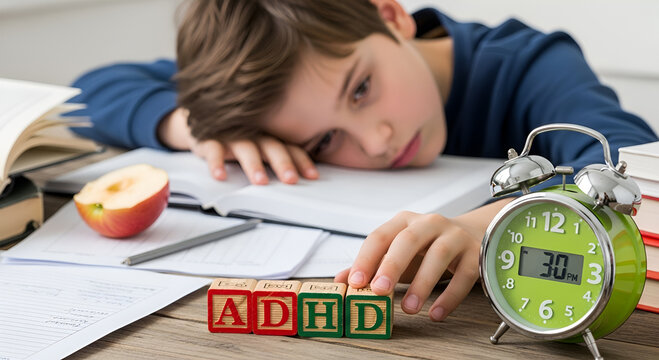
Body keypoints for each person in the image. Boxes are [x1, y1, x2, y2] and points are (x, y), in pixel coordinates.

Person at [68, 0, 658, 322]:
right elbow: (92, 90)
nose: (374, 141)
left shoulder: (530, 62)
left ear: (390, 15)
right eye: (324, 141)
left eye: (360, 89)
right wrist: (194, 127)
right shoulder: (275, 86)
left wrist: (491, 226)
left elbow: (637, 166)